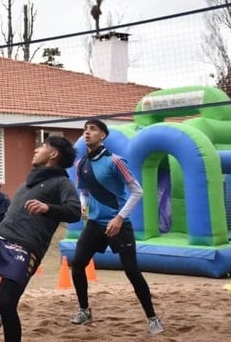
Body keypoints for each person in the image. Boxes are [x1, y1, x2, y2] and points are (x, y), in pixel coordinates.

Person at [0, 136, 81, 342]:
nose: (36, 150)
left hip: (25, 248)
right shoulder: (27, 184)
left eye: (43, 147)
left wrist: (48, 208)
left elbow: (75, 211)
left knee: (7, 303)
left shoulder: (62, 183)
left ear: (54, 154)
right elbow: (4, 219)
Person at [71, 119, 164, 335]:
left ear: (103, 135)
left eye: (92, 129)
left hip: (118, 224)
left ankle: (152, 318)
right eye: (85, 129)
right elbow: (83, 191)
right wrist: (84, 205)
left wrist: (120, 218)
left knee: (132, 271)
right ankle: (84, 310)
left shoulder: (115, 161)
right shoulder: (80, 164)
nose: (87, 132)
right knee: (77, 264)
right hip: (95, 223)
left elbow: (137, 191)